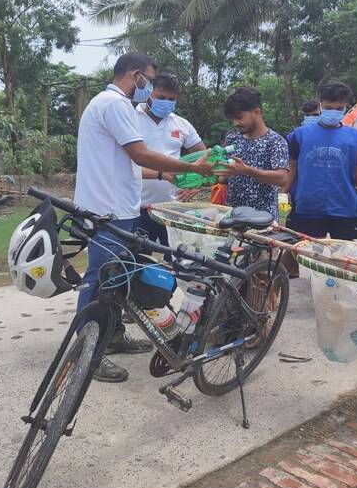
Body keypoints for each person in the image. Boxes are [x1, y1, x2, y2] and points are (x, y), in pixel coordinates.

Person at [74, 51, 214, 383]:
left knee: (117, 278)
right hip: (108, 209)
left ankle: (112, 335)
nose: (149, 87)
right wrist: (191, 169)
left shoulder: (107, 103)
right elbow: (140, 155)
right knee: (100, 279)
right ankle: (85, 352)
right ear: (135, 75)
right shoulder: (116, 105)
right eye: (149, 81)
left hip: (117, 207)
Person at [283, 81, 357, 241]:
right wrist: (283, 193)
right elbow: (293, 167)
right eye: (328, 108)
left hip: (345, 207)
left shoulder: (354, 137)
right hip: (309, 207)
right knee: (304, 251)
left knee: (347, 253)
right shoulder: (299, 135)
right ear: (320, 105)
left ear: (346, 107)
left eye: (339, 109)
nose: (333, 112)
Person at [136, 73, 207, 247]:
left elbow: (205, 156)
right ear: (149, 93)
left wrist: (197, 184)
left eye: (171, 99)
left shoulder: (182, 124)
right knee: (138, 259)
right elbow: (124, 164)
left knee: (178, 257)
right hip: (137, 207)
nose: (166, 102)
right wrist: (163, 174)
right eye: (161, 97)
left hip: (173, 207)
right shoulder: (130, 119)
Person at [219, 87, 289, 221]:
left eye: (239, 117)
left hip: (263, 220)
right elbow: (224, 176)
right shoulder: (232, 139)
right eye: (233, 119)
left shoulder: (275, 141)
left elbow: (282, 178)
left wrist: (246, 170)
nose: (236, 123)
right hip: (233, 217)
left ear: (256, 112)